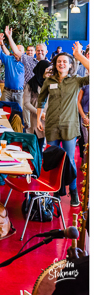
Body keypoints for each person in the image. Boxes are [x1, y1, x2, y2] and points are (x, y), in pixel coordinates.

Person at [36, 53, 88, 207]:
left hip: (69, 126)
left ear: (71, 65)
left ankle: (73, 192)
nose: (62, 64)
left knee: (70, 160)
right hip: (51, 125)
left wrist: (79, 55)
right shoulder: (49, 80)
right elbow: (41, 100)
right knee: (52, 160)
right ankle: (54, 193)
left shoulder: (76, 81)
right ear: (55, 64)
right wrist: (38, 119)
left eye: (65, 62)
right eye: (59, 61)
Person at [0, 27, 28, 109]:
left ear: (23, 53)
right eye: (15, 49)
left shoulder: (26, 62)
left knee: (18, 114)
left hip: (19, 93)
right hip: (7, 91)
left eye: (19, 50)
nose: (17, 52)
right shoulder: (9, 59)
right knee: (3, 111)